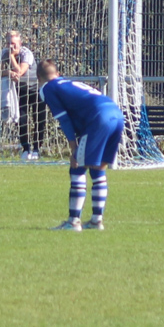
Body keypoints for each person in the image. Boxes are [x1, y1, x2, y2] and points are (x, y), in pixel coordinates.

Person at [38, 59, 123, 231]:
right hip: (116, 114)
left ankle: (73, 222)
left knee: (77, 167)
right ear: (58, 73)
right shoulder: (69, 83)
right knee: (98, 168)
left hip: (99, 118)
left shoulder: (48, 88)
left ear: (39, 78)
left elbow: (64, 120)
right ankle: (96, 221)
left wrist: (73, 148)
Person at [0, 30, 46, 160]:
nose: (11, 47)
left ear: (20, 43)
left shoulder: (26, 53)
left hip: (37, 89)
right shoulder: (3, 53)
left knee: (39, 119)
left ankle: (37, 149)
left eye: (14, 44)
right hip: (21, 90)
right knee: (21, 119)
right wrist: (7, 72)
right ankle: (26, 148)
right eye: (9, 44)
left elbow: (20, 71)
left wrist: (11, 58)